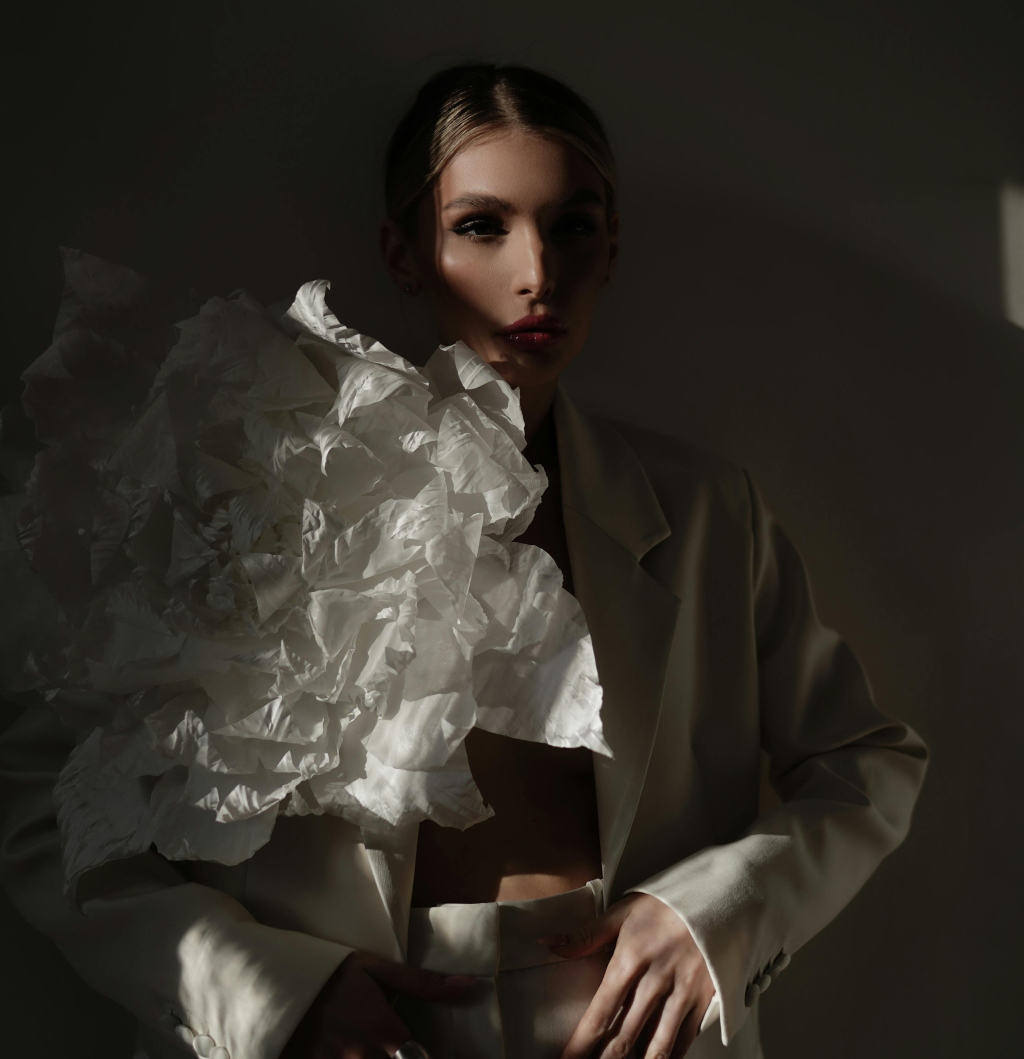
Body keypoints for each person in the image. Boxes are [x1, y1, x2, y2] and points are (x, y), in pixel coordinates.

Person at [0, 64, 927, 1059]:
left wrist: (719, 918)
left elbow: (867, 760)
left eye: (572, 225)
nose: (536, 272)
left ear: (610, 245)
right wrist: (269, 997)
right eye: (482, 226)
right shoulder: (243, 481)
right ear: (405, 254)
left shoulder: (704, 511)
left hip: (631, 1036)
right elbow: (43, 800)